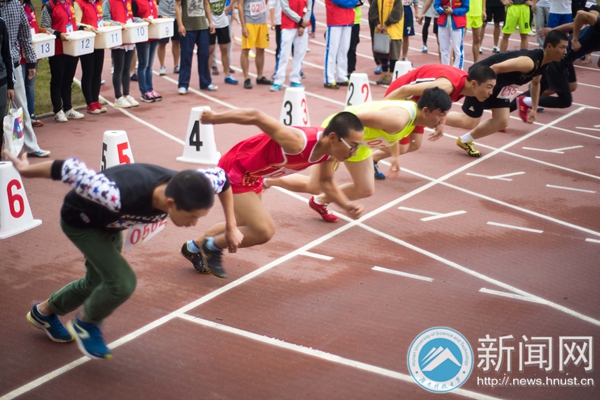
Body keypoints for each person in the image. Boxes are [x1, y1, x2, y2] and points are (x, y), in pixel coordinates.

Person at [3, 148, 238, 360]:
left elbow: (223, 178)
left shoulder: (197, 184)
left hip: (111, 224)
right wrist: (26, 170)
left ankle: (44, 313)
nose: (194, 224)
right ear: (170, 203)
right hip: (81, 222)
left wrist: (231, 226)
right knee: (122, 282)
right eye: (192, 216)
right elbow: (69, 169)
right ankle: (87, 323)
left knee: (97, 283)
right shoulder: (114, 194)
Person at [180, 109, 365, 278]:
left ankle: (193, 247)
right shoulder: (297, 142)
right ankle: (211, 247)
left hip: (254, 175)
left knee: (244, 224)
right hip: (236, 170)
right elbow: (256, 116)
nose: (354, 152)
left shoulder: (329, 152)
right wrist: (214, 118)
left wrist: (346, 204)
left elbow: (326, 182)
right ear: (333, 138)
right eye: (353, 146)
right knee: (264, 231)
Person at [266, 88, 452, 222]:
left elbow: (392, 135)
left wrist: (395, 157)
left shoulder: (412, 118)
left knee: (365, 189)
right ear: (426, 111)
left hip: (359, 144)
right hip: (339, 135)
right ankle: (267, 180)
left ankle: (320, 201)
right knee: (314, 185)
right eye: (441, 114)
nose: (443, 120)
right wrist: (340, 146)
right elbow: (354, 119)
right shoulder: (397, 119)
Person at [452, 29, 569, 157]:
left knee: (502, 121)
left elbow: (536, 83)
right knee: (470, 121)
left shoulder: (544, 64)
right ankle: (436, 117)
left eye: (566, 48)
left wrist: (534, 108)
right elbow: (495, 68)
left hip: (501, 87)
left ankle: (464, 140)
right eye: (562, 47)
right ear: (550, 47)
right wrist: (487, 89)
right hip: (483, 79)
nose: (565, 51)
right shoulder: (529, 62)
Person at [374, 64, 496, 178]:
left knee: (415, 144)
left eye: (493, 87)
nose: (491, 92)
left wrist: (441, 122)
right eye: (489, 87)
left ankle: (371, 159)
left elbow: (444, 101)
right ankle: (369, 156)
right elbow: (405, 90)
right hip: (402, 95)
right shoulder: (446, 86)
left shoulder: (464, 85)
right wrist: (376, 109)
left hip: (420, 103)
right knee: (402, 145)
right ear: (474, 83)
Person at [0, 0, 50, 157]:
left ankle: (31, 146)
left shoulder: (16, 5)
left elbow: (25, 33)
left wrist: (31, 61)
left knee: (21, 107)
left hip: (13, 64)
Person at [40, 0, 86, 122]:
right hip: (57, 49)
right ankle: (57, 110)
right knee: (57, 80)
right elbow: (44, 27)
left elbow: (73, 24)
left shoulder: (69, 3)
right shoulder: (49, 6)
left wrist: (83, 27)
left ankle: (68, 108)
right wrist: (58, 34)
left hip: (71, 47)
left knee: (68, 80)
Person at [103, 0, 141, 108]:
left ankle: (126, 94)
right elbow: (105, 19)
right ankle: (118, 97)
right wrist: (117, 24)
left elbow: (130, 17)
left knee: (127, 69)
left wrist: (141, 20)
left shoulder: (128, 1)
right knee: (118, 69)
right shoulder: (108, 2)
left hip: (129, 37)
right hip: (117, 39)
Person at [175, 0, 217, 94]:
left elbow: (206, 4)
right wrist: (180, 24)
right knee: (186, 56)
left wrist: (210, 22)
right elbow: (177, 5)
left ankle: (205, 83)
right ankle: (183, 84)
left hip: (202, 27)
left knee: (204, 54)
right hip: (187, 28)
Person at [74, 0, 108, 114]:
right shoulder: (79, 3)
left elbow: (99, 21)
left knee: (97, 72)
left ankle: (95, 100)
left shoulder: (98, 3)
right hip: (86, 42)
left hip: (98, 40)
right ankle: (90, 103)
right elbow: (76, 23)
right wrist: (89, 27)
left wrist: (110, 24)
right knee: (88, 72)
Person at [270, 0, 311, 91]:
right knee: (284, 53)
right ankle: (278, 80)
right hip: (288, 25)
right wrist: (300, 20)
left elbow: (309, 7)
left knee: (300, 53)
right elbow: (285, 8)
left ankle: (295, 79)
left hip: (303, 25)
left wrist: (303, 25)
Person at [239, 0, 273, 89]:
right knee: (245, 50)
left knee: (261, 49)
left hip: (262, 22)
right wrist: (243, 25)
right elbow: (240, 5)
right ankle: (246, 78)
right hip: (249, 23)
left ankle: (260, 77)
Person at [133, 0, 162, 102]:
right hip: (143, 36)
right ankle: (144, 91)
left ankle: (150, 89)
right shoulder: (135, 1)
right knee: (143, 65)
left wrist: (160, 17)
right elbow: (131, 17)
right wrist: (142, 20)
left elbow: (153, 14)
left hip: (154, 34)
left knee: (149, 65)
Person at [323, 0, 358, 88]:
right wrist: (353, 2)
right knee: (332, 50)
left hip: (348, 20)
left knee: (344, 50)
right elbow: (340, 1)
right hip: (335, 20)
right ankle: (329, 78)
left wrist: (353, 2)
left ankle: (341, 76)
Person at [21, 0, 45, 127]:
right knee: (19, 87)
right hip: (19, 54)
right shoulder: (14, 7)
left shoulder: (31, 6)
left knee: (30, 86)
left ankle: (31, 114)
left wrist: (43, 30)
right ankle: (21, 117)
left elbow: (34, 26)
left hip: (32, 52)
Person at [369, 0, 404, 86]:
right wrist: (377, 23)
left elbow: (397, 13)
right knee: (382, 53)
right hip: (380, 30)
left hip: (393, 31)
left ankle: (391, 75)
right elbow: (373, 11)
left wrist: (386, 24)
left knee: (393, 54)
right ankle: (384, 74)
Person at [209, 0, 238, 84]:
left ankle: (227, 75)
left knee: (225, 49)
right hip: (210, 23)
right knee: (210, 49)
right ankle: (208, 77)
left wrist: (230, 6)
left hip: (223, 23)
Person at [434, 0, 469, 69]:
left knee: (457, 49)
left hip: (457, 23)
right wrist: (443, 10)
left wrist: (453, 11)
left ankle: (458, 70)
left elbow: (466, 8)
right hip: (443, 23)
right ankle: (445, 69)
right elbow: (436, 5)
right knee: (443, 49)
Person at [0, 16, 15, 149]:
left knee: (1, 121)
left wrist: (11, 85)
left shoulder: (1, 23)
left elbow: (7, 55)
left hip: (2, 82)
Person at [157, 0, 181, 75]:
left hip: (176, 17)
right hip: (164, 17)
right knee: (162, 43)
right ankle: (162, 66)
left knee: (176, 42)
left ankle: (176, 65)